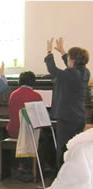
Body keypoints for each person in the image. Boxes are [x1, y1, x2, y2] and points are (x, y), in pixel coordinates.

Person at [45, 37, 90, 170]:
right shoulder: (85, 72)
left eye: (69, 58)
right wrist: (63, 52)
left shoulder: (70, 74)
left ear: (73, 60)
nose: (68, 60)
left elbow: (52, 69)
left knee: (63, 150)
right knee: (74, 150)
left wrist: (49, 52)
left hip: (67, 119)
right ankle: (73, 178)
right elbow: (71, 66)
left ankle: (62, 179)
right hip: (78, 118)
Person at [6, 71, 43, 139]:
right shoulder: (36, 96)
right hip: (29, 132)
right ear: (33, 81)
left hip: (14, 130)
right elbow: (41, 117)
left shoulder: (13, 94)